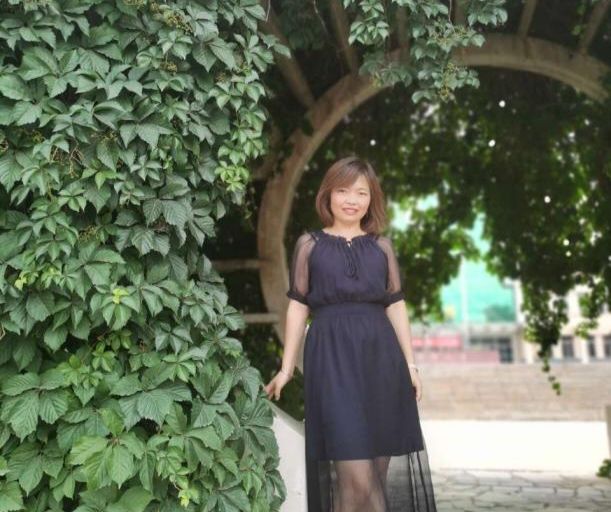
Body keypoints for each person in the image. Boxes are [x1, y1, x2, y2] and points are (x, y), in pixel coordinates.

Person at [264, 156, 438, 512]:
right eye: (343, 191)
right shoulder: (309, 244)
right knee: (358, 478)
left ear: (371, 199)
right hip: (331, 362)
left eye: (361, 192)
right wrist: (285, 369)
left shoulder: (381, 247)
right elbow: (298, 306)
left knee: (367, 480)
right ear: (328, 195)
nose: (352, 200)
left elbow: (396, 305)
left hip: (381, 362)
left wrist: (411, 366)